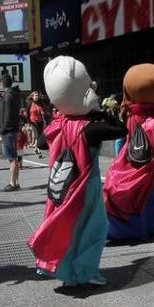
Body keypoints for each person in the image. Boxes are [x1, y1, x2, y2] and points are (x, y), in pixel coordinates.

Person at [29, 56, 126, 286]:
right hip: (86, 186)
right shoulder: (91, 128)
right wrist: (101, 112)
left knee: (68, 228)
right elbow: (120, 129)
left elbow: (42, 143)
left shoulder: (57, 124)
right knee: (94, 228)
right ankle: (86, 271)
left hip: (61, 186)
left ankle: (66, 273)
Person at [103, 64, 154, 241]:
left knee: (132, 192)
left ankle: (124, 226)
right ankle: (150, 226)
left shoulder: (129, 113)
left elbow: (122, 136)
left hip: (131, 157)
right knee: (151, 193)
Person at [0, 74, 22, 191]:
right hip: (14, 129)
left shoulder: (7, 96)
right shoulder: (14, 95)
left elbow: (6, 115)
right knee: (14, 157)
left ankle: (12, 183)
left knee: (11, 158)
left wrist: (2, 130)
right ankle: (16, 182)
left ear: (2, 83)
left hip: (8, 130)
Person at [29, 91, 47, 158]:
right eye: (35, 95)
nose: (36, 96)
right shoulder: (30, 103)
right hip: (33, 122)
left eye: (37, 95)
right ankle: (39, 151)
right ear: (32, 96)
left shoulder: (40, 103)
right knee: (37, 135)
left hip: (40, 122)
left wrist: (43, 113)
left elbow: (44, 111)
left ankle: (36, 149)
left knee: (39, 135)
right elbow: (27, 113)